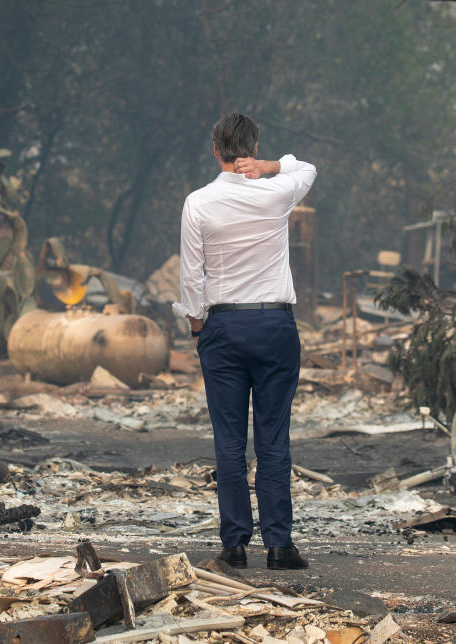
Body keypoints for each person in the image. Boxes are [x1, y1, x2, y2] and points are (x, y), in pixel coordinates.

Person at [173, 113, 317, 570]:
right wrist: (271, 166)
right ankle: (279, 547)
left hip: (223, 328)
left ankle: (234, 546)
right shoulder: (276, 192)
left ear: (215, 151)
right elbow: (308, 169)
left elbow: (191, 276)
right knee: (274, 438)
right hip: (275, 326)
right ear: (252, 148)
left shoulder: (197, 203)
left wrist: (198, 327)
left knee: (229, 441)